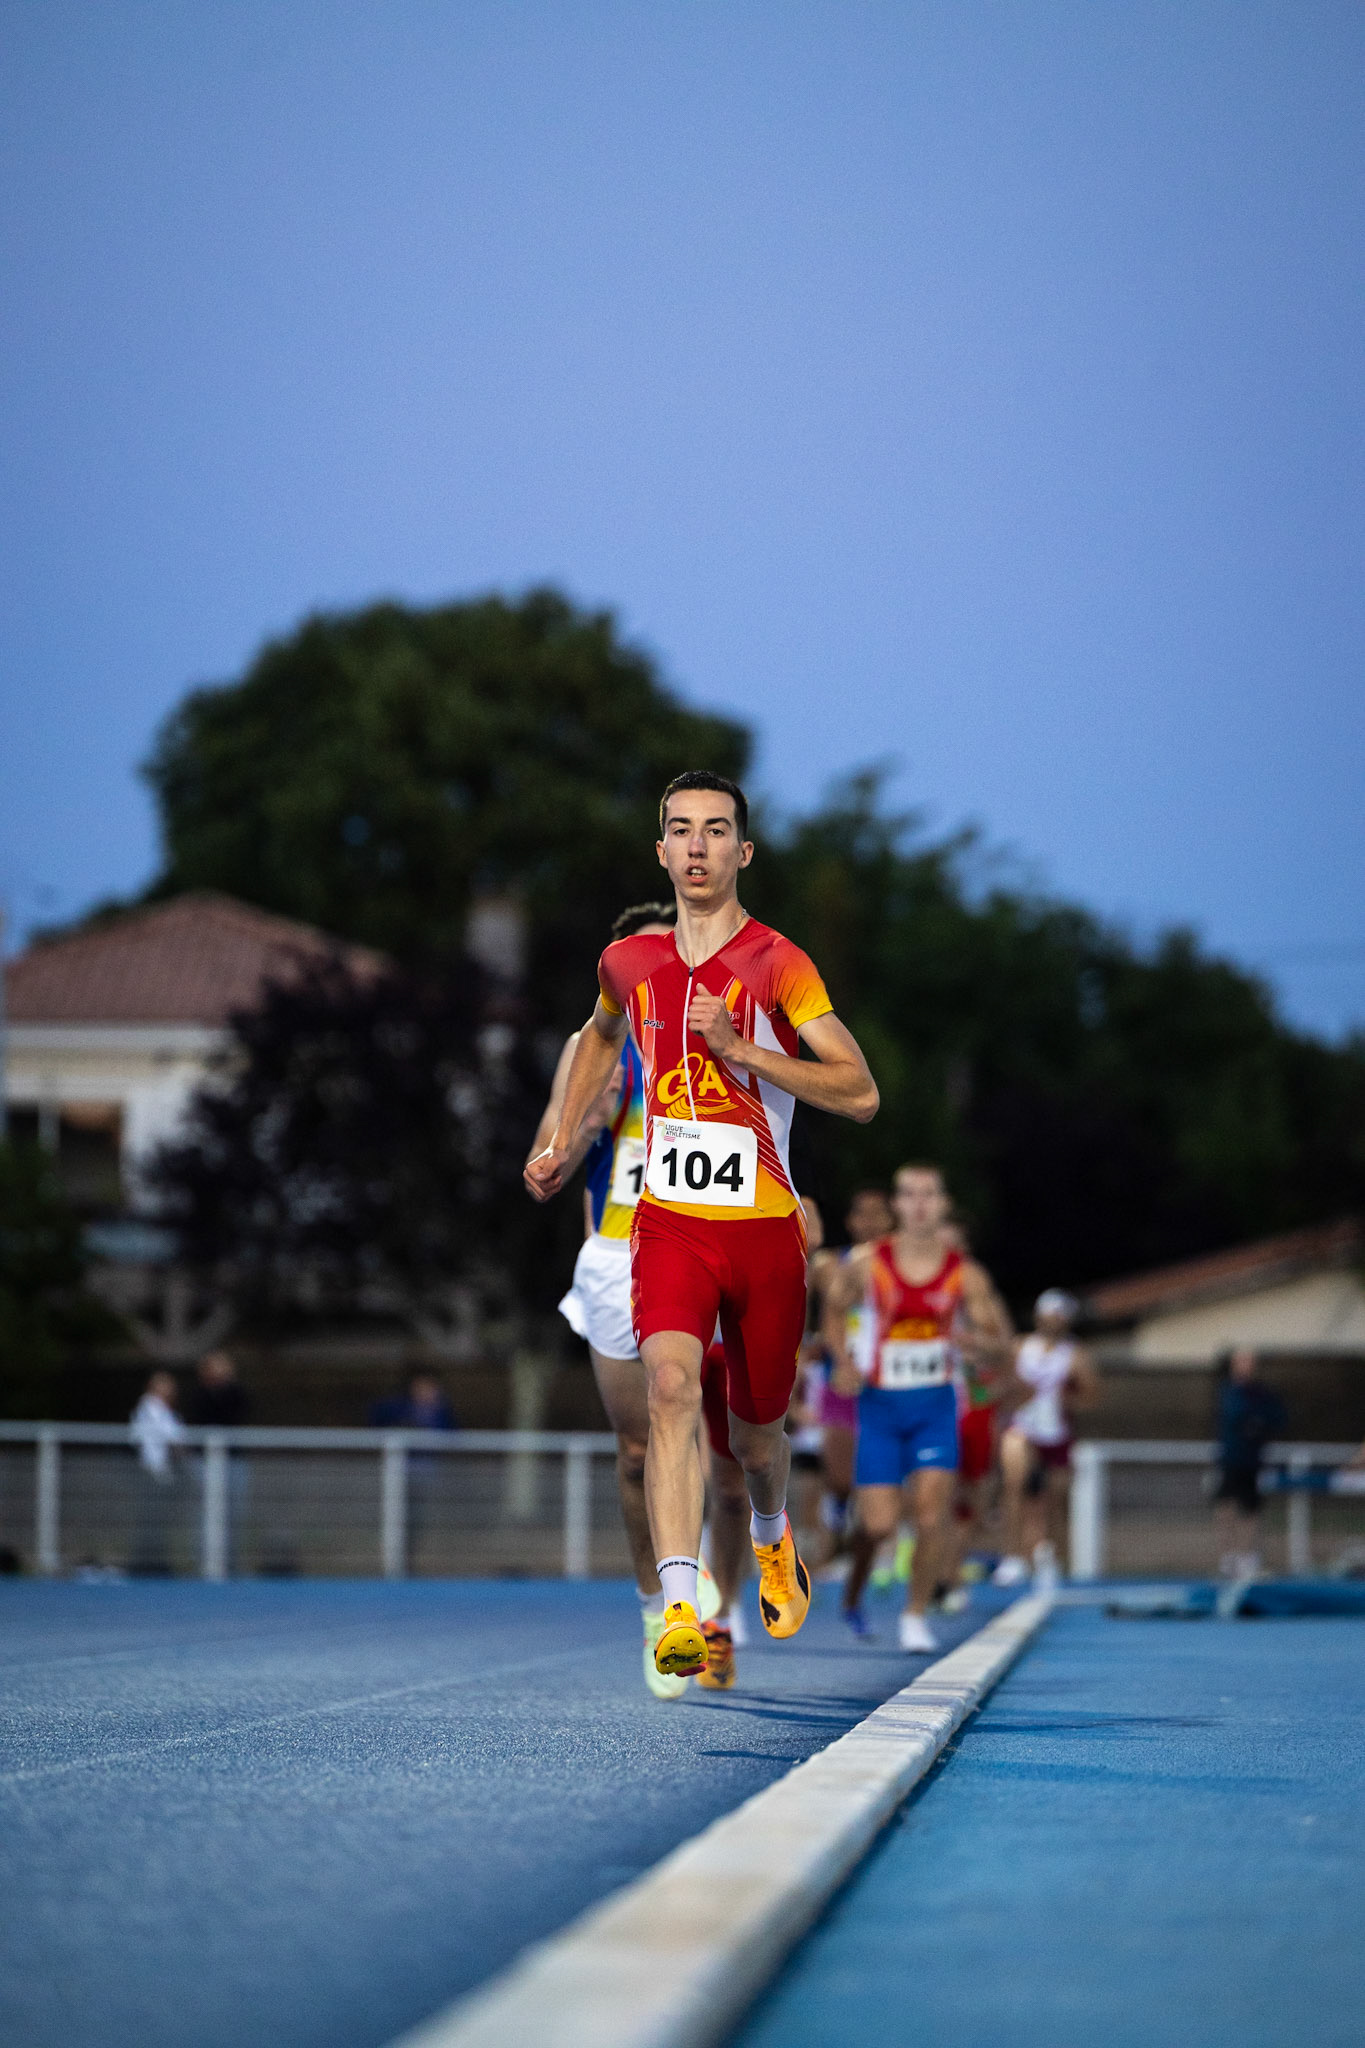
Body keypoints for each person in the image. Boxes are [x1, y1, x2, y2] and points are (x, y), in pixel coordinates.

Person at [526, 771, 878, 1680]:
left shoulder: (778, 963)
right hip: (669, 1226)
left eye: (714, 831)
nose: (694, 846)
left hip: (761, 1232)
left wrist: (742, 1050)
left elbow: (861, 1092)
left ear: (741, 852)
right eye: (678, 830)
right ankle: (680, 1607)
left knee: (757, 1439)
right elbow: (598, 1036)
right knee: (672, 1393)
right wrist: (562, 1135)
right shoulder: (627, 965)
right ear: (659, 850)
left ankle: (772, 1533)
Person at [528, 900, 724, 1700]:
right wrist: (575, 1136)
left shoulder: (720, 1031)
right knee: (638, 1448)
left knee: (685, 1408)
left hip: (702, 1247)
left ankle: (689, 1584)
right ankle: (656, 1609)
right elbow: (550, 1156)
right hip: (616, 1259)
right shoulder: (590, 1048)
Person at [828, 1164, 1012, 1652]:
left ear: (943, 1203)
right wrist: (843, 1360)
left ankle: (914, 1615)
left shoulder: (964, 1274)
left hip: (934, 1409)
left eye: (929, 1194)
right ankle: (855, 1590)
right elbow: (832, 1307)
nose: (920, 1203)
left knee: (933, 1517)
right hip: (881, 1409)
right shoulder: (869, 1264)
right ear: (898, 1205)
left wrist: (979, 1344)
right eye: (910, 1195)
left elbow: (1002, 1343)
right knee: (879, 1524)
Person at [804, 1189, 894, 1571]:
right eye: (863, 1215)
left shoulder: (903, 1264)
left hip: (888, 1378)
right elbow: (801, 1309)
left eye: (879, 1215)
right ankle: (835, 1541)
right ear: (851, 1222)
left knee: (884, 1469)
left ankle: (881, 1549)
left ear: (891, 1220)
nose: (871, 1223)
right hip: (839, 1376)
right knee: (839, 1476)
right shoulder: (829, 1265)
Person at [993, 1290, 1098, 1588]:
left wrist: (1067, 1401)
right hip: (1023, 1427)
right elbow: (1002, 1383)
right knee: (1014, 1485)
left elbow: (1091, 1397)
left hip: (1057, 1433)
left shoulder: (1076, 1355)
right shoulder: (1021, 1347)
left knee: (1057, 1497)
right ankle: (1013, 1556)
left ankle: (1051, 1556)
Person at [1211, 1347, 1286, 1580]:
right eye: (1242, 1361)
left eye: (1250, 1362)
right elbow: (1233, 1418)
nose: (1247, 1366)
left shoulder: (1260, 1393)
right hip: (1231, 1460)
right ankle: (1228, 1559)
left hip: (1252, 1461)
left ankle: (1247, 1559)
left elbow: (1278, 1417)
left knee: (1251, 1510)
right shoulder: (1228, 1391)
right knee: (1226, 1507)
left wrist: (1259, 1425)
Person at [129, 1371, 186, 1574]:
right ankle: (148, 1562)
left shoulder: (161, 1408)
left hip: (160, 1470)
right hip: (152, 1469)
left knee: (157, 1518)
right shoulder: (150, 1406)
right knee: (151, 1517)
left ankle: (155, 1559)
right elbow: (171, 1437)